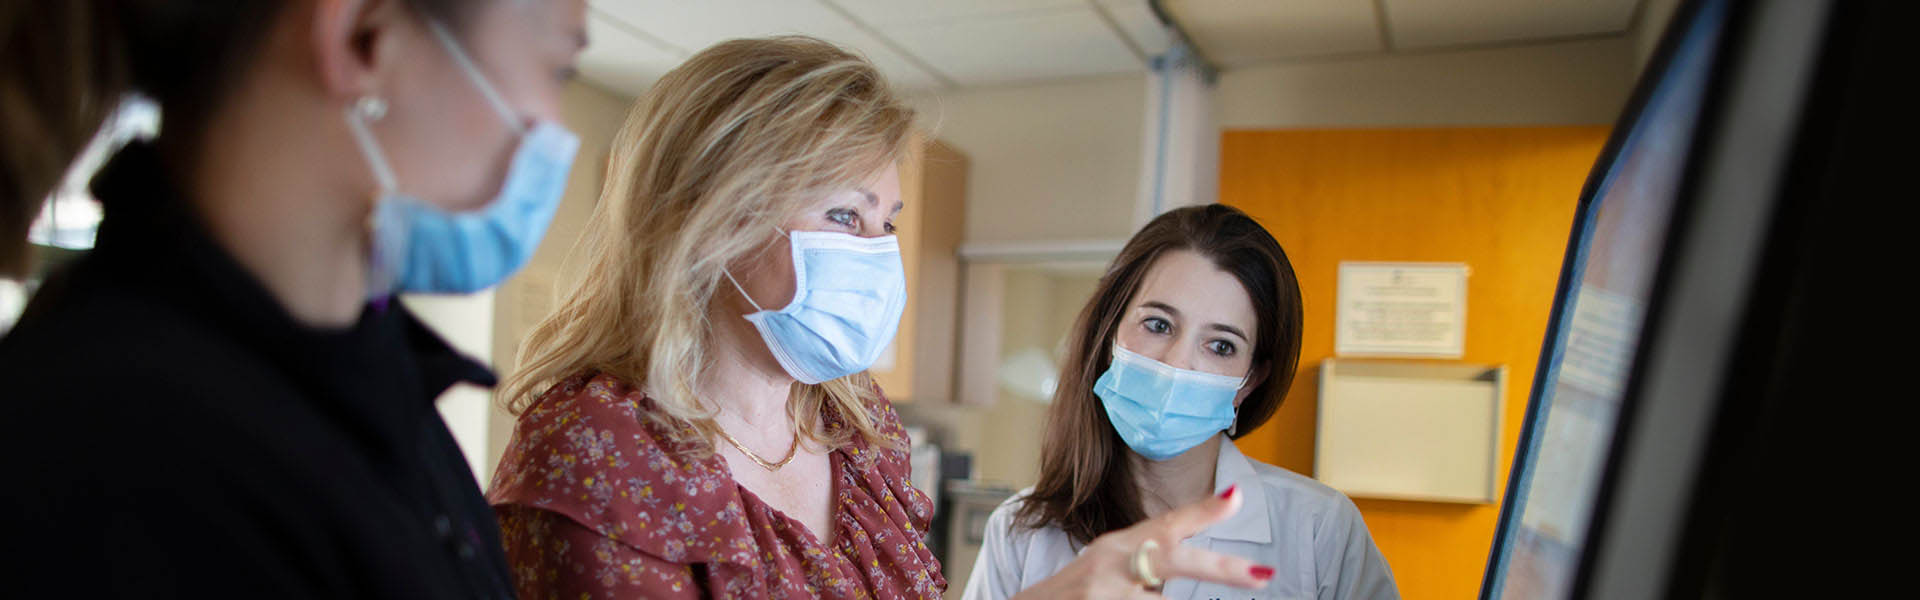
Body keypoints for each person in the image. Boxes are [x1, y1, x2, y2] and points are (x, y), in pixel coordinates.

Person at [0, 0, 587, 596]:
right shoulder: (119, 453)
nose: (559, 136)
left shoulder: (366, 385)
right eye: (559, 68)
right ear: (365, 39)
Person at [486, 36, 942, 599]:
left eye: (887, 224)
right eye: (845, 215)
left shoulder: (861, 426)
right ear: (712, 222)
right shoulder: (598, 451)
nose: (877, 255)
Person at [963, 205, 1400, 599]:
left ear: (1249, 381)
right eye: (1157, 324)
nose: (1176, 363)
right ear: (1109, 330)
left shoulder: (1319, 529)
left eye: (1221, 346)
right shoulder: (1021, 531)